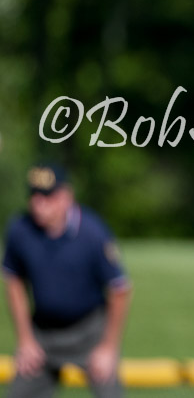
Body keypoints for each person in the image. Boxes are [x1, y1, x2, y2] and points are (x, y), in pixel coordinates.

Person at [2, 163, 132, 398]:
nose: (39, 205)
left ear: (66, 197)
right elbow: (13, 279)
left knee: (111, 392)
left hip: (90, 332)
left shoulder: (92, 232)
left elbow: (119, 288)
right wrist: (25, 339)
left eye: (47, 197)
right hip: (42, 332)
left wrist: (108, 347)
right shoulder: (20, 230)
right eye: (34, 197)